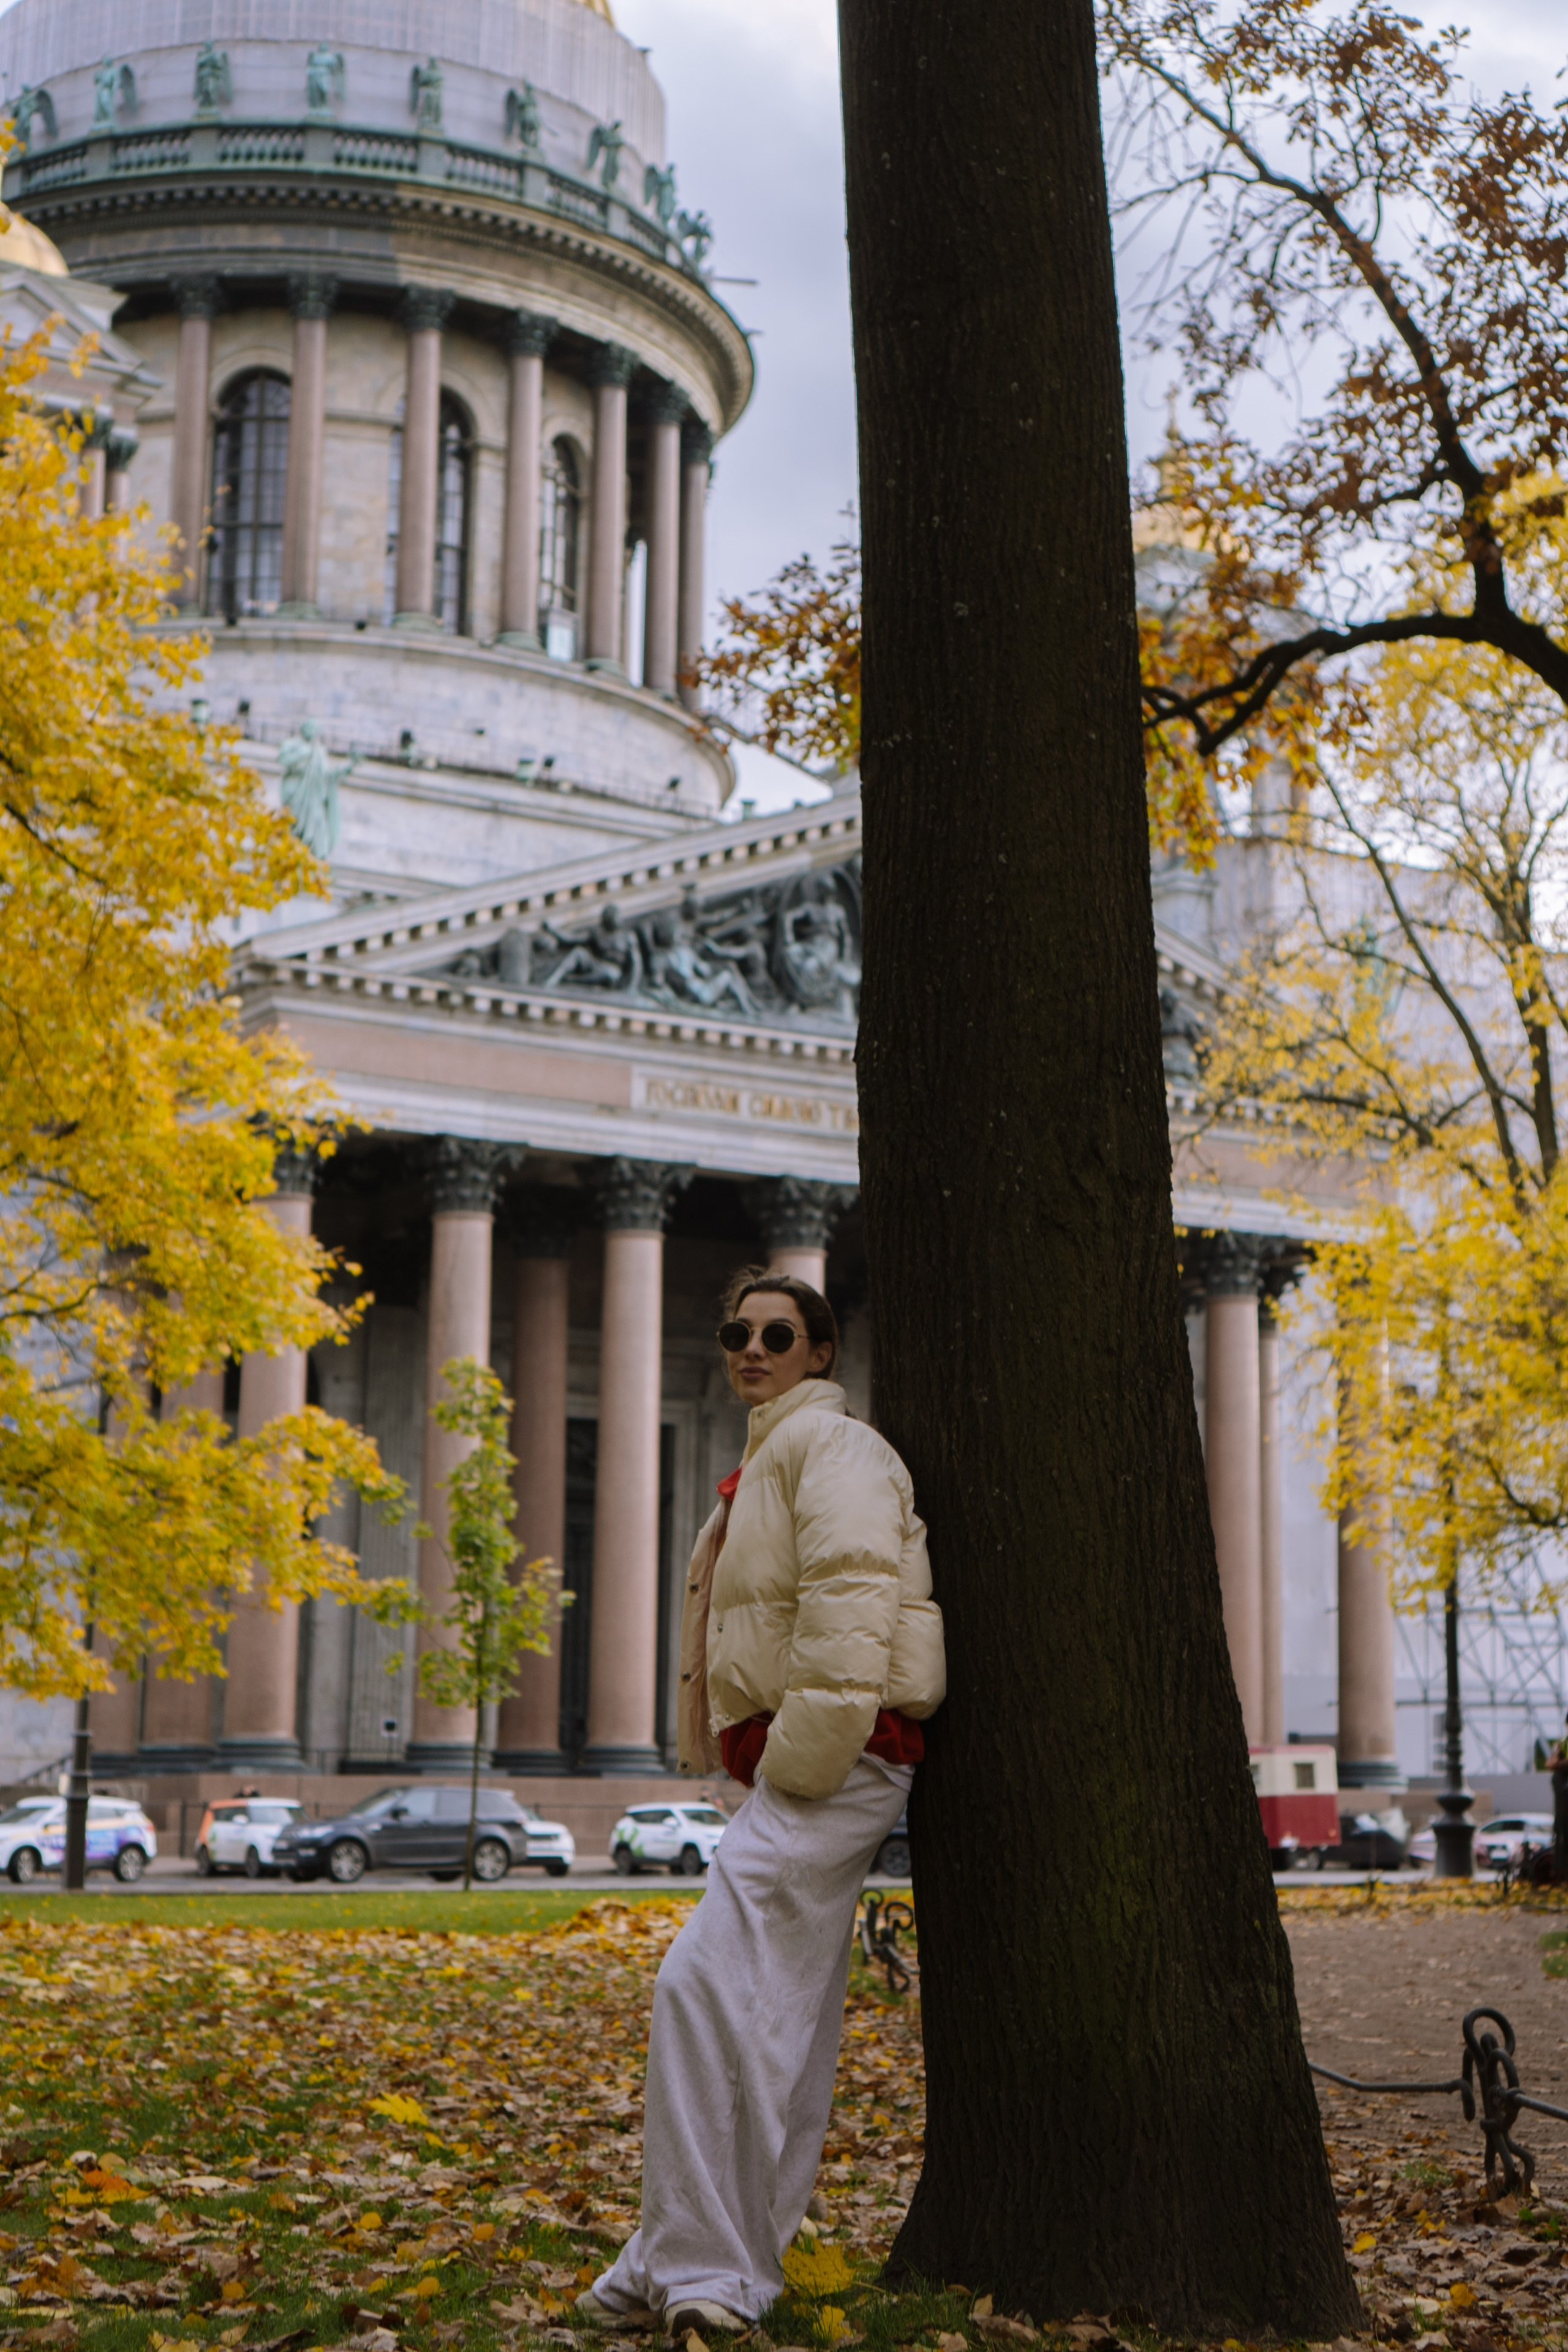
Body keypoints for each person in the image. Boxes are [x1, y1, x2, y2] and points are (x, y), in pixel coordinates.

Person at [579, 1269, 945, 2335]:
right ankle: (700, 2263)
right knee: (775, 2026)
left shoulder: (834, 1449)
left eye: (777, 1335)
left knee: (694, 1991)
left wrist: (796, 1767)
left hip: (837, 1765)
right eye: (737, 1331)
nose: (751, 1349)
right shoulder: (768, 1460)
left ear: (820, 1352)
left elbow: (850, 1604)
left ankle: (694, 2269)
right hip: (813, 1768)